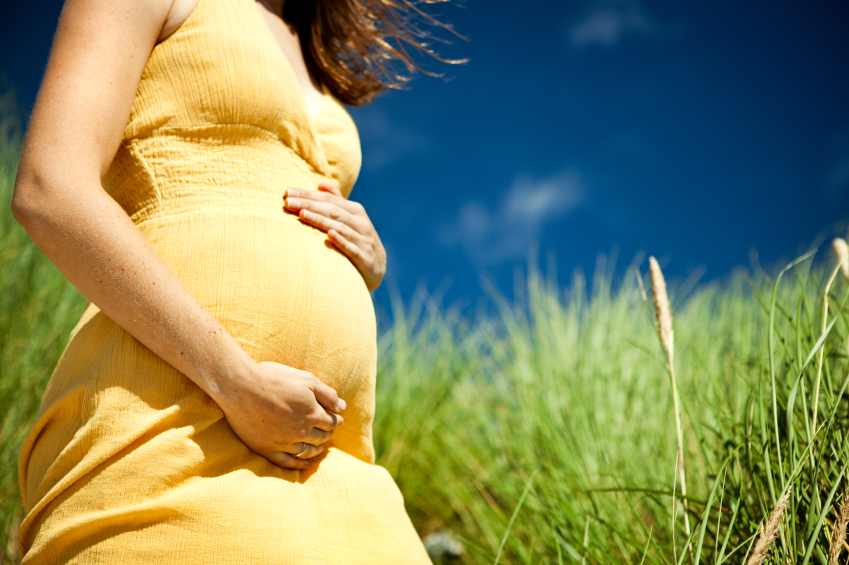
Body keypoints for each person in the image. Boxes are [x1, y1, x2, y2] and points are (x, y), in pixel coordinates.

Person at [12, 0, 457, 562]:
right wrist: (234, 381)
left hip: (334, 458)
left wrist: (364, 261)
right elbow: (51, 187)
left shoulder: (308, 43)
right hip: (173, 419)